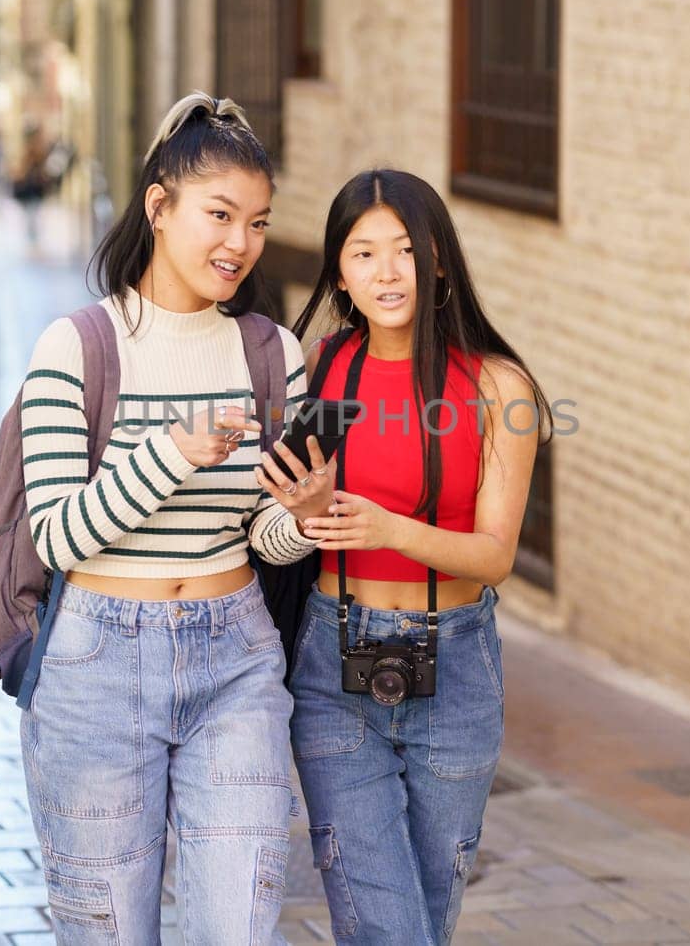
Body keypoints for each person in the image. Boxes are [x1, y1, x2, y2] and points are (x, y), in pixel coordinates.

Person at [17, 92, 333, 943]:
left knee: (238, 927)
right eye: (220, 214)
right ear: (159, 207)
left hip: (235, 655)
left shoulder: (271, 352)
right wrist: (169, 455)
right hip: (96, 663)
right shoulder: (77, 346)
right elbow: (58, 534)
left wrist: (300, 518)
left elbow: (262, 537)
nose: (240, 243)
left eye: (258, 222)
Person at [284, 169, 551, 944]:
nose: (386, 271)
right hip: (334, 662)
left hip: (456, 667)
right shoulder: (324, 369)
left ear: (437, 259)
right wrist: (301, 512)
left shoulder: (500, 386)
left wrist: (386, 528)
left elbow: (495, 555)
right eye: (363, 253)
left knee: (424, 918)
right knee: (384, 924)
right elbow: (290, 510)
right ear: (339, 270)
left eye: (404, 249)